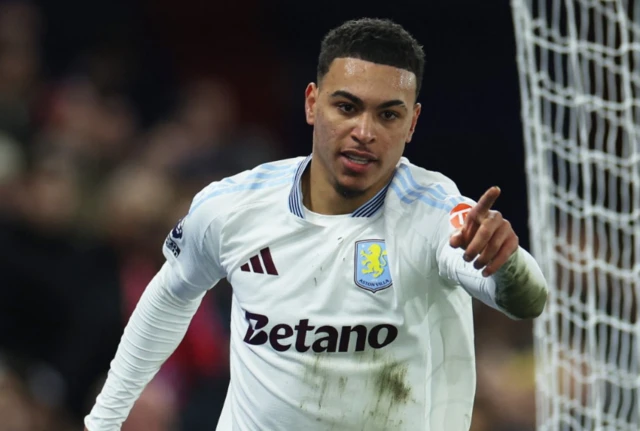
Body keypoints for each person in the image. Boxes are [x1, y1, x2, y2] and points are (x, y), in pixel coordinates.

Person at [84, 17, 548, 431]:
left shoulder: (434, 211)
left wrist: (506, 264)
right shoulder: (233, 206)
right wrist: (103, 421)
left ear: (412, 124)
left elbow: (526, 299)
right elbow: (169, 295)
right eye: (347, 107)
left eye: (388, 114)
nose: (365, 131)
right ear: (312, 103)